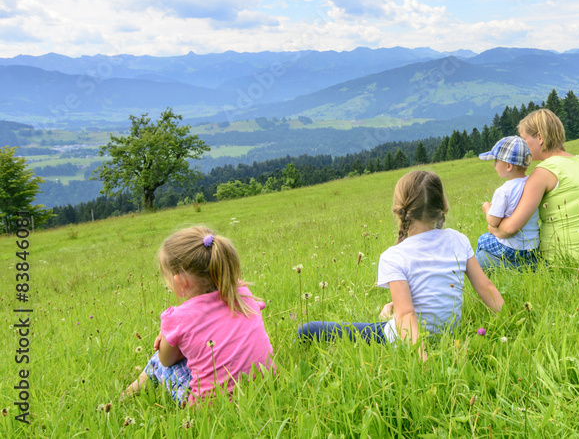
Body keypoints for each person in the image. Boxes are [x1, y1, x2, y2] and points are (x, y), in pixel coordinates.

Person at [298, 170, 503, 351]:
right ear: (441, 205)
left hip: (404, 340)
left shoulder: (393, 257)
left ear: (400, 210)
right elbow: (486, 287)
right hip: (449, 334)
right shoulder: (458, 240)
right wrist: (510, 322)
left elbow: (406, 316)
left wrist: (423, 362)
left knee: (308, 329)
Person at [121, 226, 274, 406]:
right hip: (264, 387)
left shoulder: (178, 318)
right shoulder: (241, 292)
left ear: (180, 281)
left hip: (209, 408)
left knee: (157, 362)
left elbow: (166, 360)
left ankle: (125, 397)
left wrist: (168, 338)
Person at [488, 108, 579, 265]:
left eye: (524, 139)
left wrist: (493, 230)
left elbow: (510, 228)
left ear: (540, 138)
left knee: (483, 255)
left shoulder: (543, 172)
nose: (522, 146)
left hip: (566, 263)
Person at [474, 135, 540, 271]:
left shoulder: (503, 191)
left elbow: (493, 222)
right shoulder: (532, 184)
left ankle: (481, 271)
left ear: (508, 166)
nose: (494, 164)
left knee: (483, 239)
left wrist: (487, 209)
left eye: (496, 161)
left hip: (511, 247)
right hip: (532, 247)